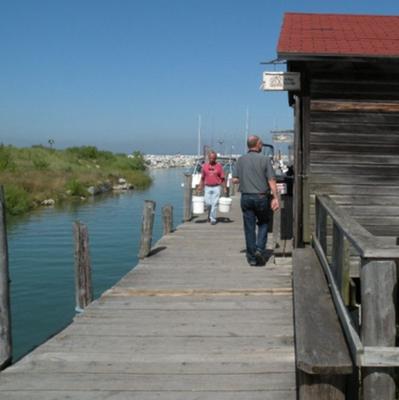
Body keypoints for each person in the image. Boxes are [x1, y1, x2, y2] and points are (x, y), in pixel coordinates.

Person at [233, 135, 280, 266]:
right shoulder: (265, 160)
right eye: (261, 143)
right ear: (257, 144)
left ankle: (252, 257)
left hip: (246, 197)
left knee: (249, 227)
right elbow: (271, 180)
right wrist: (275, 198)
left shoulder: (241, 160)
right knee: (264, 223)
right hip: (261, 196)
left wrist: (246, 177)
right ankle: (259, 249)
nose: (262, 145)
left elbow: (235, 179)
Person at [197, 151, 227, 225]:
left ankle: (213, 219)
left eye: (213, 158)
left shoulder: (219, 166)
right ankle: (210, 214)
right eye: (210, 158)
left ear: (215, 158)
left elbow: (222, 178)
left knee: (215, 203)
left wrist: (224, 187)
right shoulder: (205, 166)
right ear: (208, 158)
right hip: (207, 187)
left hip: (216, 187)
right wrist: (200, 186)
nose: (212, 159)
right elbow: (202, 178)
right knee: (208, 203)